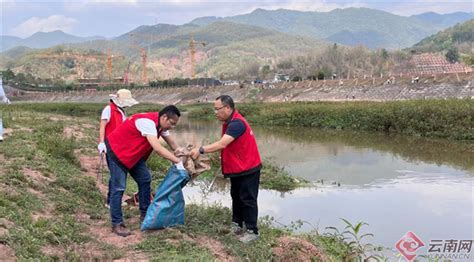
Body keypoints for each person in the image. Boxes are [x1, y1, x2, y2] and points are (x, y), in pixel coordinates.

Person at [190, 95, 262, 243]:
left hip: (248, 167)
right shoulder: (229, 122)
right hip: (238, 167)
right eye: (214, 109)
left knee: (248, 199)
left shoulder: (237, 124)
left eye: (217, 109)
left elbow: (222, 144)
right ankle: (237, 224)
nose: (215, 112)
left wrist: (201, 150)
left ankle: (252, 231)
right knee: (236, 196)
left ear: (227, 108)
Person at [105, 105, 183, 237]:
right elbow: (157, 148)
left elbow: (172, 144)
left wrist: (182, 152)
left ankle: (145, 213)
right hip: (117, 152)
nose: (172, 127)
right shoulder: (148, 123)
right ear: (164, 117)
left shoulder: (160, 125)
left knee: (145, 179)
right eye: (171, 123)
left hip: (133, 155)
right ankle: (117, 224)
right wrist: (177, 161)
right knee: (118, 188)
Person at [98, 89, 138, 207]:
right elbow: (102, 126)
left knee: (116, 174)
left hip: (120, 147)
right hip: (111, 146)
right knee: (116, 175)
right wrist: (101, 142)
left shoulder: (121, 111)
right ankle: (112, 201)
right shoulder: (109, 109)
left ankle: (113, 199)